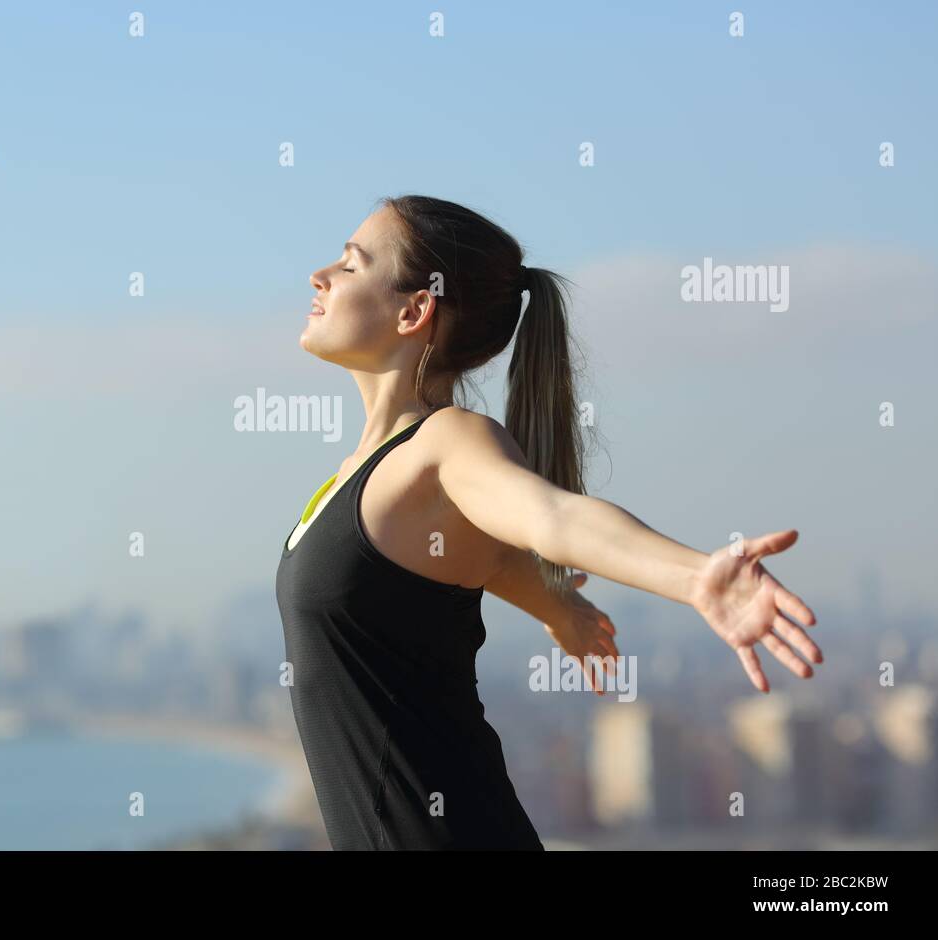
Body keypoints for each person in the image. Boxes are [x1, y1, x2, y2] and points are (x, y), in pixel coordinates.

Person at [275, 194, 822, 850]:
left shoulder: (447, 443)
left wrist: (699, 576)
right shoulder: (354, 477)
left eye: (350, 265)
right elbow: (480, 556)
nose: (321, 276)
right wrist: (553, 603)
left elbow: (549, 516)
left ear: (416, 309)